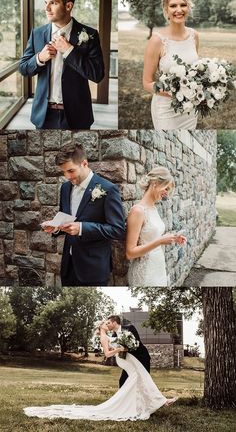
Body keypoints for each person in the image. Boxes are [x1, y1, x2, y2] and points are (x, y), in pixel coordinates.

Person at [23, 320, 177, 421]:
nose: (106, 324)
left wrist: (121, 346)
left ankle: (145, 404)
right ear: (101, 327)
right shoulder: (104, 337)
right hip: (122, 358)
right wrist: (121, 348)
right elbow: (108, 353)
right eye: (104, 323)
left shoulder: (109, 335)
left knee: (138, 378)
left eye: (107, 322)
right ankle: (159, 401)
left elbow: (115, 345)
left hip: (127, 358)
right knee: (139, 377)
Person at [19, 0, 104, 129]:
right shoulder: (37, 34)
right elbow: (23, 68)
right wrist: (39, 58)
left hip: (77, 115)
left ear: (68, 6)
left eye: (53, 3)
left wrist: (70, 51)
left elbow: (97, 75)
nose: (46, 8)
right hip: (44, 116)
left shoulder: (89, 35)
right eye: (46, 3)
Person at [42, 143, 125, 286]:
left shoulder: (108, 189)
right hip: (68, 266)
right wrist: (56, 227)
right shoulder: (65, 188)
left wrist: (82, 228)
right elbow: (66, 217)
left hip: (93, 268)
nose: (67, 176)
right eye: (63, 172)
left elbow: (117, 229)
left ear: (84, 163)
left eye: (71, 170)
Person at [143, 0, 199, 130]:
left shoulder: (194, 36)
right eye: (173, 5)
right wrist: (173, 90)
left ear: (188, 7)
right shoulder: (157, 40)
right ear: (166, 10)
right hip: (166, 110)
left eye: (183, 5)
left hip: (190, 108)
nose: (179, 10)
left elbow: (196, 71)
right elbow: (147, 82)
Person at [126, 167, 187, 286]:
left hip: (158, 266)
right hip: (145, 271)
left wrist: (173, 238)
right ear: (154, 183)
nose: (166, 193)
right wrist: (159, 241)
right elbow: (130, 253)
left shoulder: (153, 208)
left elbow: (152, 236)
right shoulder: (138, 211)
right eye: (166, 188)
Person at [106, 314, 151, 388]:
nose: (107, 325)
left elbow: (137, 342)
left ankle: (149, 398)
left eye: (109, 323)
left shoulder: (130, 328)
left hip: (141, 358)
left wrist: (126, 348)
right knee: (123, 381)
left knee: (144, 381)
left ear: (114, 323)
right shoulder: (114, 336)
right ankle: (124, 399)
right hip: (129, 361)